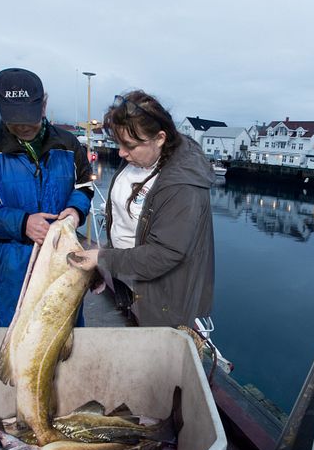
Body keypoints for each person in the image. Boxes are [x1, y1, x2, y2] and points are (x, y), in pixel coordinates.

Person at [0, 68, 93, 327]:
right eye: (15, 119)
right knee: (21, 336)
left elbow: (85, 186)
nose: (24, 126)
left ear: (44, 104)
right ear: (0, 106)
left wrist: (75, 210)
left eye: (29, 117)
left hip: (63, 258)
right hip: (14, 264)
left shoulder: (69, 144)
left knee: (68, 331)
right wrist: (21, 223)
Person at [68, 90, 215, 328]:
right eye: (119, 143)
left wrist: (102, 259)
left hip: (163, 302)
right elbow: (125, 226)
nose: (121, 153)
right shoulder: (141, 159)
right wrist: (106, 271)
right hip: (131, 284)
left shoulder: (183, 186)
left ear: (160, 138)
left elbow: (163, 254)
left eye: (130, 146)